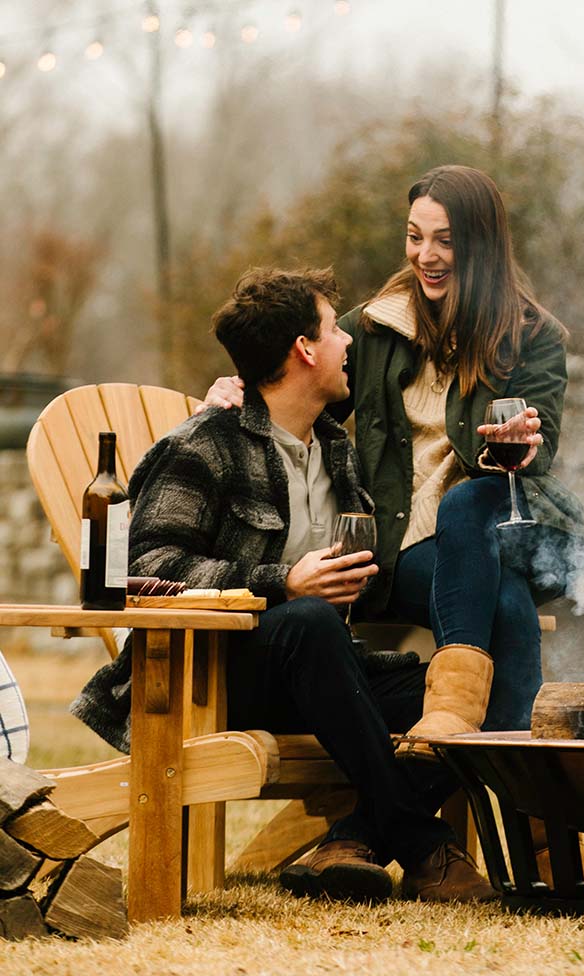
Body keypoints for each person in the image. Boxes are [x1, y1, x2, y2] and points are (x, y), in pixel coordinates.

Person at [71, 266, 497, 904]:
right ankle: (423, 845)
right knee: (306, 622)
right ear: (304, 349)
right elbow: (147, 564)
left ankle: (353, 840)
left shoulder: (335, 449)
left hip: (325, 675)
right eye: (334, 330)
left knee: (458, 686)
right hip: (212, 680)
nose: (348, 342)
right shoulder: (202, 447)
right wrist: (281, 583)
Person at [203, 165, 584, 760]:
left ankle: (447, 718)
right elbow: (297, 377)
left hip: (508, 529)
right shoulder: (374, 328)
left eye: (445, 240)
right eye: (415, 237)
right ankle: (537, 821)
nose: (426, 256)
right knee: (507, 607)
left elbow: (544, 439)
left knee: (469, 501)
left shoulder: (531, 335)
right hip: (405, 545)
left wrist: (526, 438)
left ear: (481, 245)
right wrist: (234, 392)